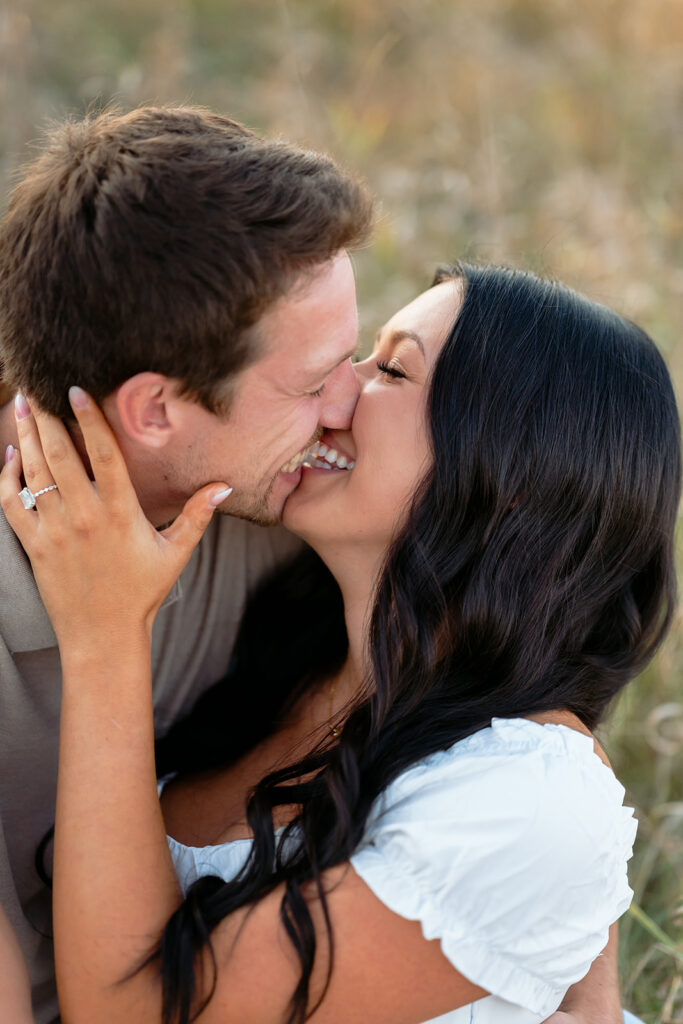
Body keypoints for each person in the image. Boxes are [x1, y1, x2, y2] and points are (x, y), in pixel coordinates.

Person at [2, 263, 677, 1023]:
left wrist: (105, 635)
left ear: (514, 473)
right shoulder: (294, 635)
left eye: (391, 369)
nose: (335, 390)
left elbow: (138, 1014)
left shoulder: (529, 801)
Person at [0, 103, 373, 1021]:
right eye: (311, 381)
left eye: (355, 357)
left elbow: (529, 687)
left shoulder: (293, 503)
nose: (348, 406)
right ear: (155, 411)